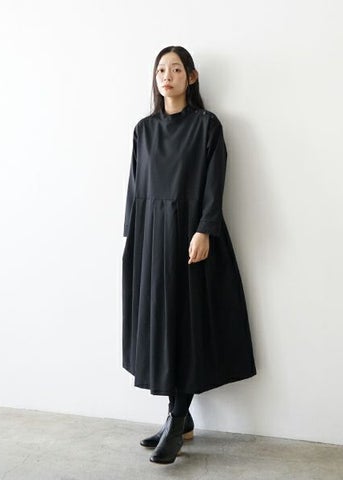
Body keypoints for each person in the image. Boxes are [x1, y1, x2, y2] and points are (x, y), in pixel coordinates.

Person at [122, 45, 257, 464]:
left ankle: (177, 419)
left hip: (189, 236)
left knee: (186, 325)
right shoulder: (144, 130)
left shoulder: (206, 125)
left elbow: (215, 182)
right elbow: (135, 186)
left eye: (176, 69)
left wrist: (205, 229)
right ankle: (178, 419)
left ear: (191, 77)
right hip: (152, 239)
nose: (168, 76)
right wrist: (132, 237)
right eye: (161, 69)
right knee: (162, 325)